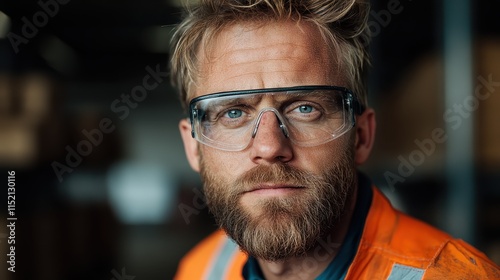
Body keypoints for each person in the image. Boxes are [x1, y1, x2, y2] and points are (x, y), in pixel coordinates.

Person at [169, 0, 500, 279]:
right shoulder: (200, 269)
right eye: (233, 113)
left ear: (362, 136)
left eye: (305, 108)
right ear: (192, 145)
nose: (269, 147)